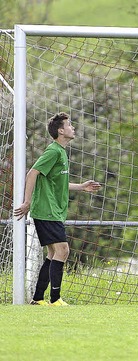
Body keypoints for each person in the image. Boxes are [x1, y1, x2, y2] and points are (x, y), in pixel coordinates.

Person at [14, 112, 102, 306]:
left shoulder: (61, 152)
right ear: (61, 131)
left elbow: (58, 182)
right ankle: (55, 299)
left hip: (52, 210)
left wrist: (81, 186)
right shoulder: (53, 151)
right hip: (46, 210)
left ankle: (37, 299)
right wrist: (26, 202)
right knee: (63, 250)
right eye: (70, 125)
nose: (73, 128)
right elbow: (32, 174)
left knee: (54, 254)